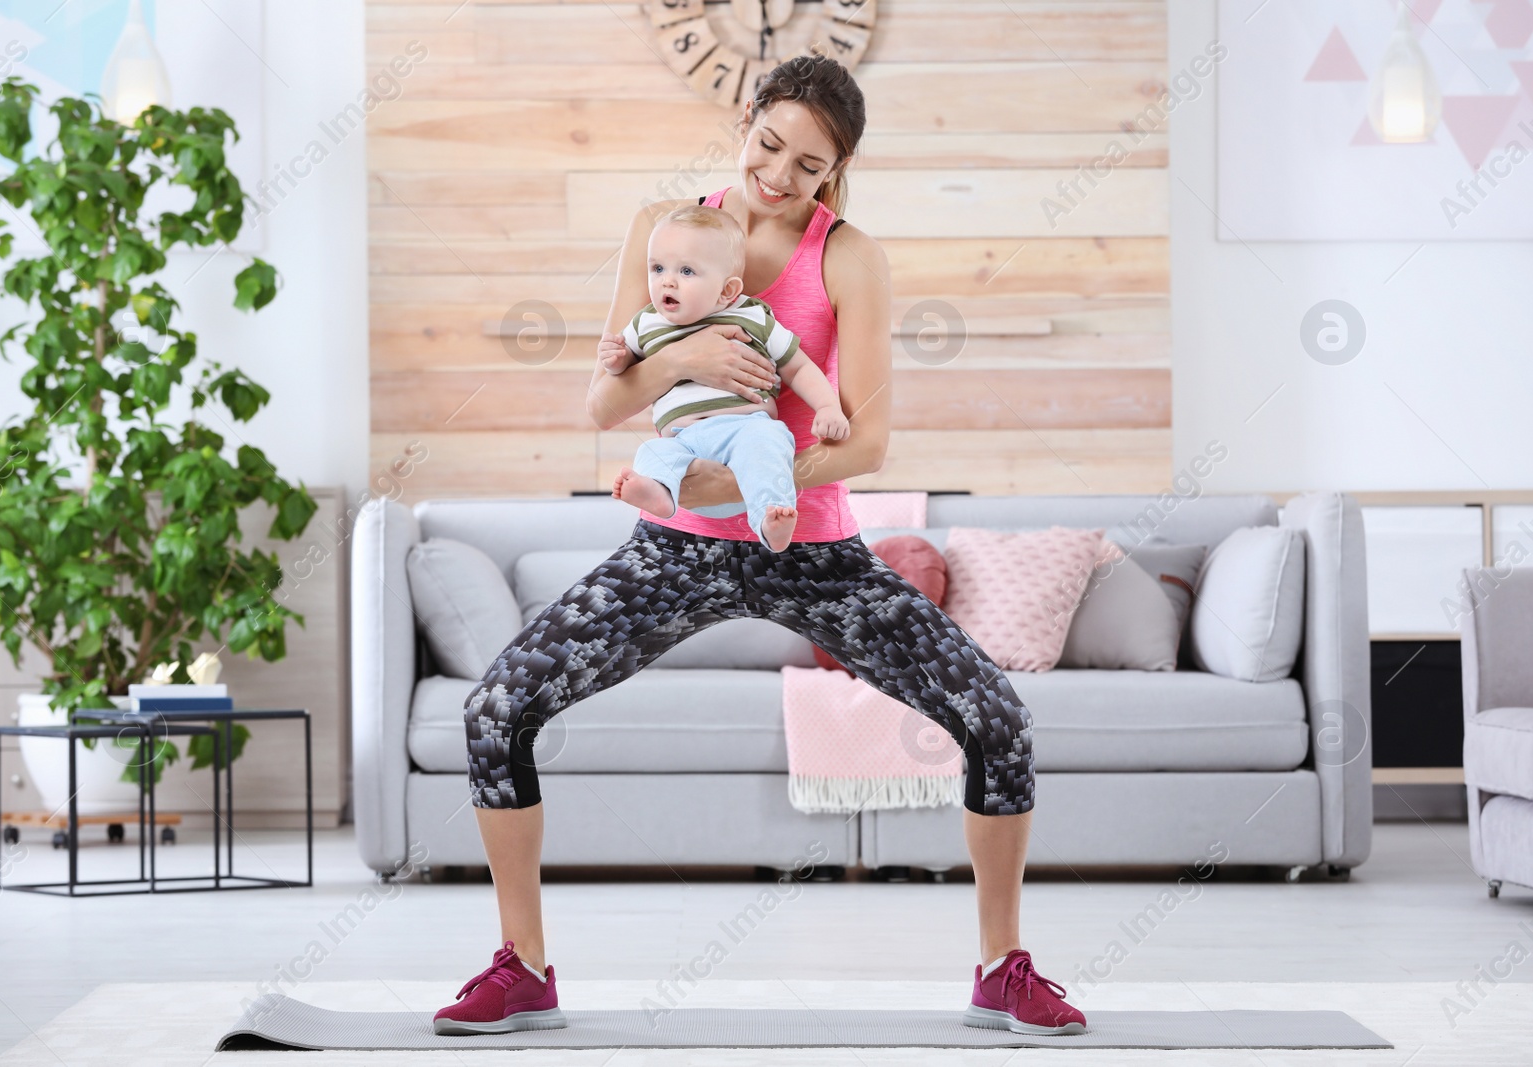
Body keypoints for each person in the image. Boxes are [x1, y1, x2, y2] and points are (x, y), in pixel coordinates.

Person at [432, 52, 1087, 1039]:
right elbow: (603, 401)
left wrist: (739, 485)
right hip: (676, 550)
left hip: (810, 549)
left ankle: (1001, 967)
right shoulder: (670, 229)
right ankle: (522, 967)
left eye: (809, 166)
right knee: (496, 707)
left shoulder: (851, 256)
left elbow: (866, 438)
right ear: (746, 123)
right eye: (768, 145)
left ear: (837, 173)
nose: (777, 176)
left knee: (996, 717)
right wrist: (687, 356)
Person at [604, 202, 849, 551]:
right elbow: (621, 371)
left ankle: (771, 519)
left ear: (726, 291)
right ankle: (659, 492)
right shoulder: (646, 323)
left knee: (770, 444)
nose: (667, 280)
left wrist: (827, 406)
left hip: (745, 430)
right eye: (657, 268)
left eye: (686, 271)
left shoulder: (751, 316)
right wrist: (616, 359)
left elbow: (797, 365)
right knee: (654, 452)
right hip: (684, 442)